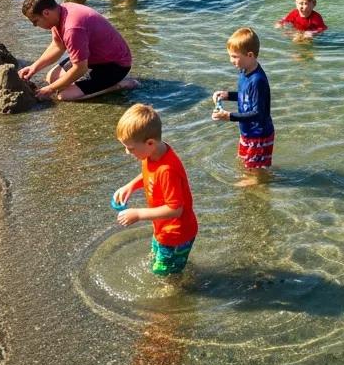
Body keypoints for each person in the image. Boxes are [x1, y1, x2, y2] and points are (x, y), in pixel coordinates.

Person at [113, 103, 198, 277]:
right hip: (162, 228)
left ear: (150, 142)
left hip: (177, 234)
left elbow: (175, 209)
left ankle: (177, 291)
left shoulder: (167, 170)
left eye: (130, 148)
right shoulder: (152, 153)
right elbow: (150, 174)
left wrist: (138, 214)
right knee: (158, 261)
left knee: (165, 274)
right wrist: (131, 185)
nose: (127, 152)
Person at [18, 0, 140, 101]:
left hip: (115, 65)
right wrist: (34, 67)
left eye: (35, 21)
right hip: (94, 57)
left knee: (64, 95)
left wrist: (50, 89)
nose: (35, 25)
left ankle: (119, 85)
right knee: (52, 78)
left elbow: (80, 68)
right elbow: (57, 46)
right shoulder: (60, 11)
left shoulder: (72, 28)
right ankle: (90, 85)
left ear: (46, 13)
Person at [211, 27, 274, 186]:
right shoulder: (244, 71)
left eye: (234, 56)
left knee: (255, 169)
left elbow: (258, 113)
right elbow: (245, 96)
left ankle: (258, 183)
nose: (231, 60)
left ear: (250, 55)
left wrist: (229, 116)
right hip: (248, 130)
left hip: (258, 134)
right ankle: (259, 176)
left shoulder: (258, 80)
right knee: (246, 162)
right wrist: (227, 95)